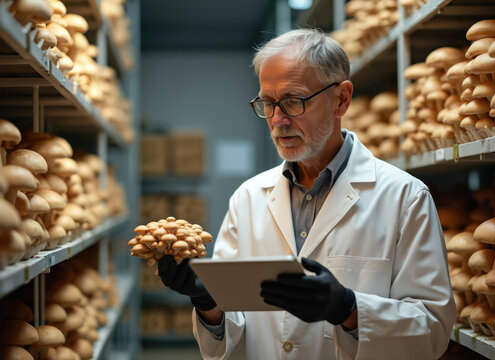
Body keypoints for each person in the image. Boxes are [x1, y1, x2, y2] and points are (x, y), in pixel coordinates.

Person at [157, 28, 456, 360]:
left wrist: (350, 309)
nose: (278, 120)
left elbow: (433, 332)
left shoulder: (405, 197)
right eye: (268, 104)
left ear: (341, 99)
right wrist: (207, 300)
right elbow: (231, 334)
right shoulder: (248, 198)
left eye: (293, 101)